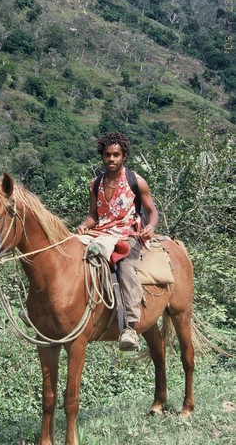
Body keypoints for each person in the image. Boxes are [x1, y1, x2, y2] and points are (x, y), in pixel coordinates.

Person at [76, 132, 159, 351]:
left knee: (125, 268)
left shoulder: (136, 181)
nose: (111, 159)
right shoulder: (96, 184)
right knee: (71, 252)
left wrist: (150, 227)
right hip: (101, 232)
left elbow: (152, 212)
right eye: (107, 155)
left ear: (124, 156)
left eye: (116, 155)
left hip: (128, 234)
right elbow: (94, 214)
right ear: (101, 157)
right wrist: (85, 224)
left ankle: (130, 326)